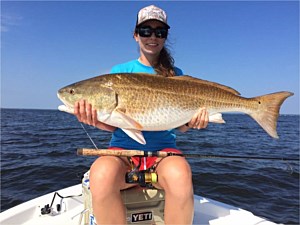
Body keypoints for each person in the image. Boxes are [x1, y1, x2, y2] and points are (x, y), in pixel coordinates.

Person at [74, 5, 209, 224]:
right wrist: (93, 119)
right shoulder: (120, 72)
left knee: (181, 175)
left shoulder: (176, 76)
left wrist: (193, 123)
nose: (152, 36)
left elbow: (180, 126)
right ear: (136, 35)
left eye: (159, 31)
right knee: (100, 175)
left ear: (165, 36)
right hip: (123, 152)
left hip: (163, 153)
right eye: (146, 30)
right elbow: (114, 123)